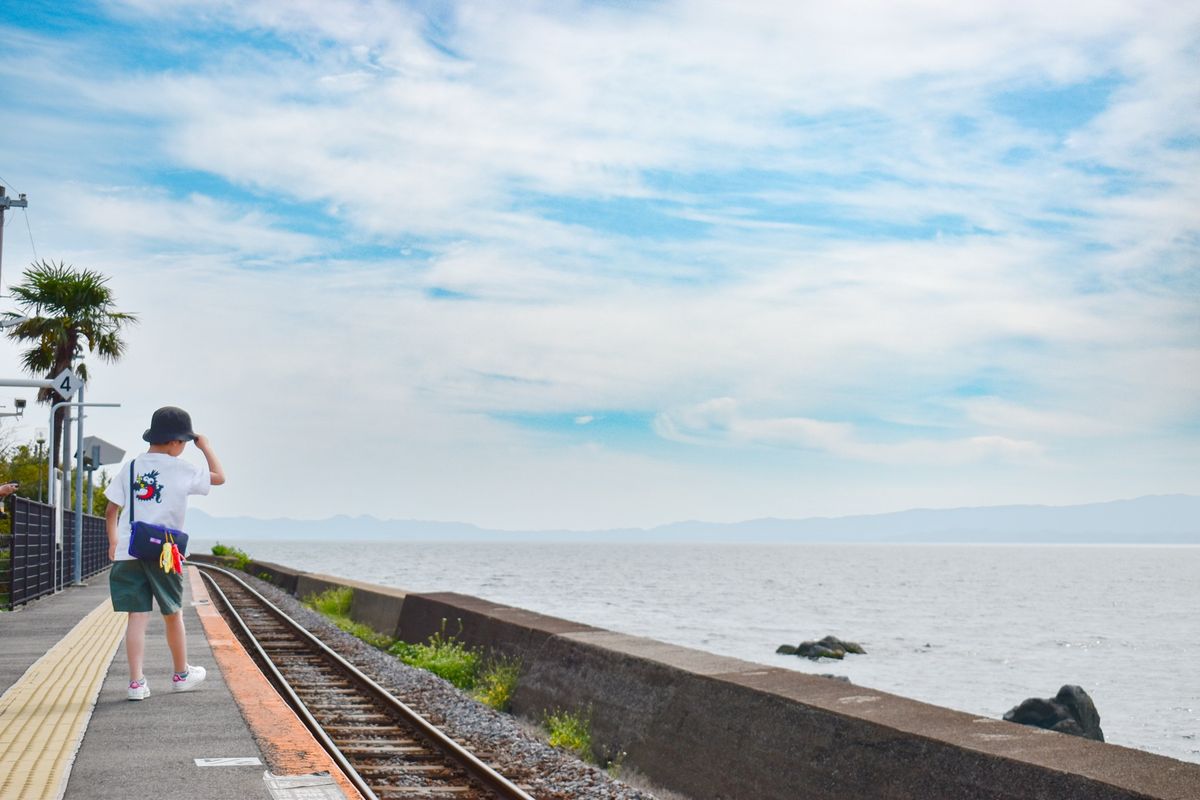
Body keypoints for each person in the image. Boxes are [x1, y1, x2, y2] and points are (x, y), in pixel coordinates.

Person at [106, 406, 226, 700]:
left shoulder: (131, 466)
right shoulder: (182, 469)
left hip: (129, 551)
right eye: (184, 443)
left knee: (137, 617)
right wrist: (206, 446)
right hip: (165, 552)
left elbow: (111, 510)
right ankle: (181, 674)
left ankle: (136, 684)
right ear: (175, 442)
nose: (184, 448)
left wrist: (113, 543)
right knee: (172, 613)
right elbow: (219, 477)